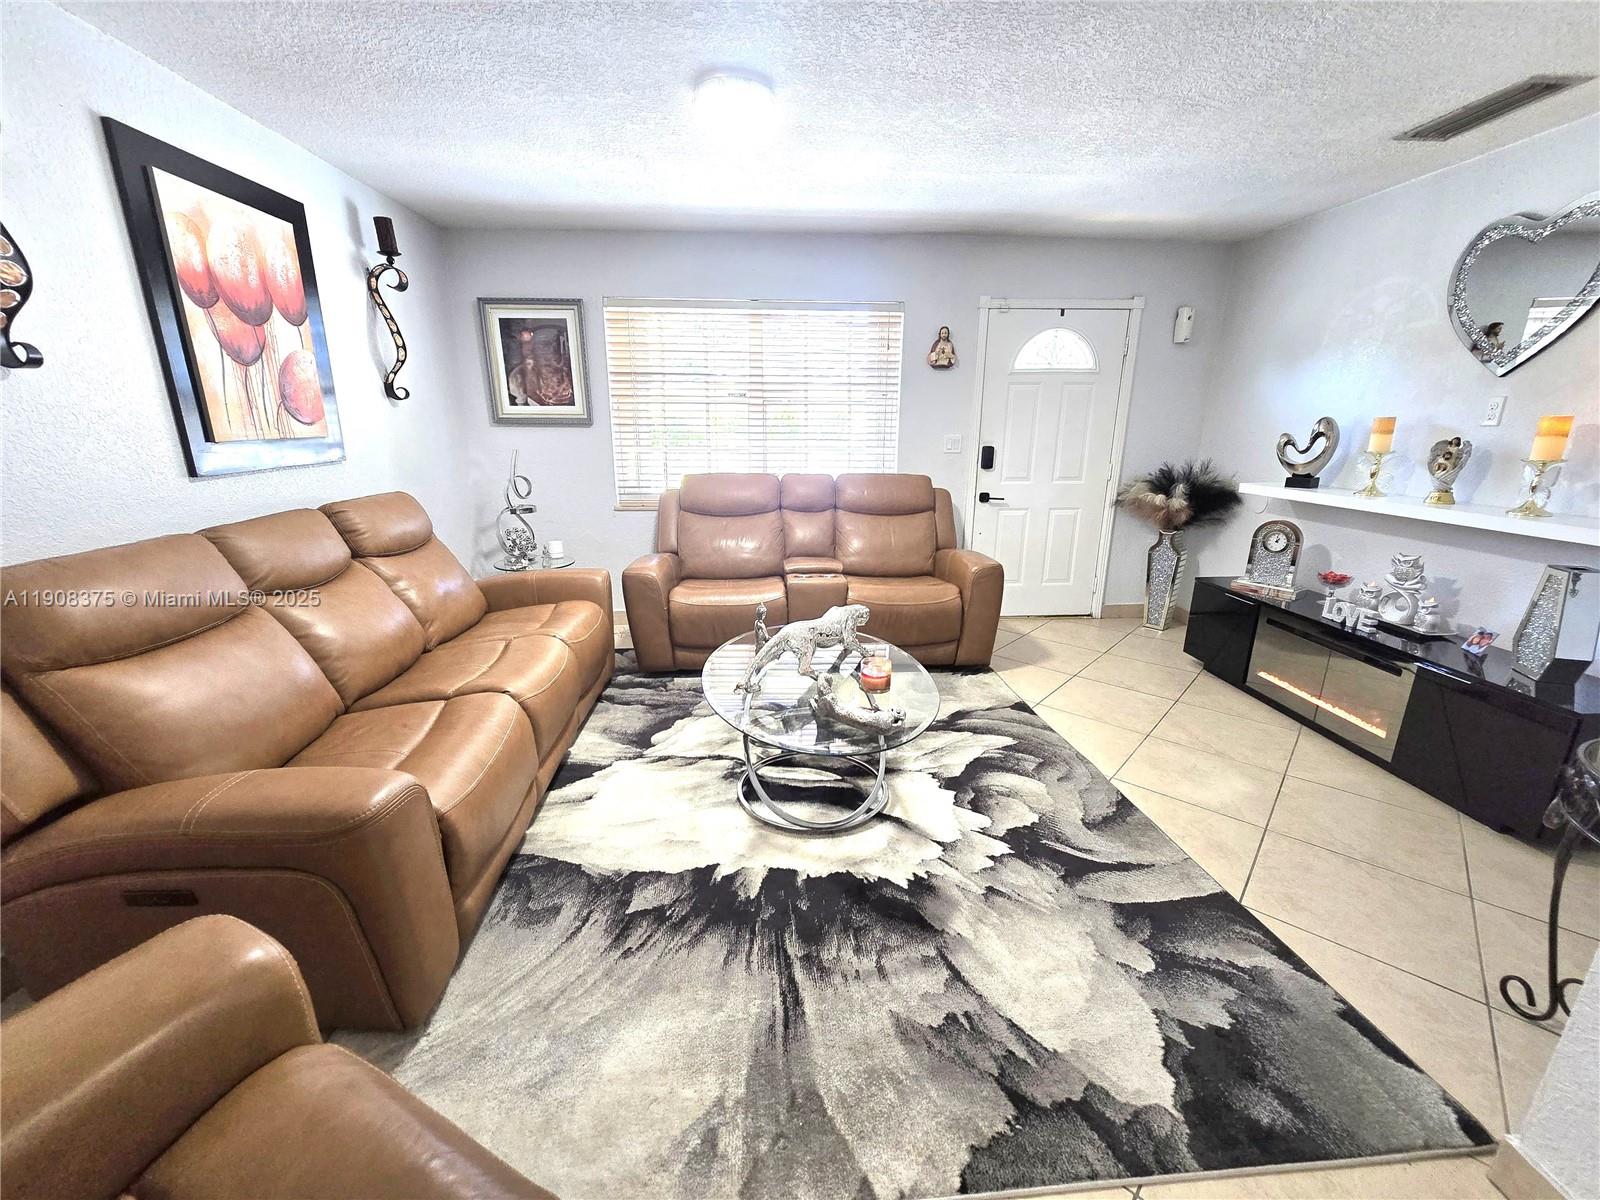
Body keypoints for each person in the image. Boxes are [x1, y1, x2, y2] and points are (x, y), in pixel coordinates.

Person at [508, 324, 574, 406]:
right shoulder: (518, 377)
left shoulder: (573, 373)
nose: (546, 352)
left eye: (551, 347)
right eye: (540, 347)